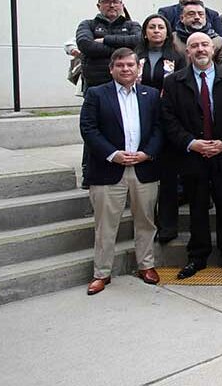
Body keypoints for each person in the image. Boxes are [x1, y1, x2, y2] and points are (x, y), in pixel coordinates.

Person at [161, 32, 222, 280]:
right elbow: (168, 119)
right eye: (194, 45)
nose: (200, 49)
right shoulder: (173, 82)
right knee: (197, 208)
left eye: (204, 45)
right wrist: (191, 143)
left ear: (213, 49)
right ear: (187, 51)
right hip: (192, 156)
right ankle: (197, 256)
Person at [79, 48, 163, 294]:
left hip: (143, 168)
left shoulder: (151, 94)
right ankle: (101, 273)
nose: (126, 69)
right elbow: (88, 129)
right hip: (108, 170)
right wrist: (113, 154)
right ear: (111, 69)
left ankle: (146, 265)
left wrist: (147, 152)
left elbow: (160, 128)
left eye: (130, 65)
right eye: (120, 65)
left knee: (146, 221)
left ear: (138, 68)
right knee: (105, 224)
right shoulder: (96, 94)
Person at [134, 14, 185, 243]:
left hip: (168, 121)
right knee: (145, 179)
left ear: (168, 32)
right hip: (140, 121)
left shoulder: (178, 57)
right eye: (152, 27)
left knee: (168, 178)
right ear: (145, 32)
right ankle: (146, 225)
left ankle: (167, 226)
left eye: (161, 27)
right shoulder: (136, 58)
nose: (156, 31)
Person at [76, 0, 142, 93]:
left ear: (122, 5)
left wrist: (105, 40)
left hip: (126, 84)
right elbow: (85, 45)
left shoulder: (132, 25)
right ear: (98, 6)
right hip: (95, 84)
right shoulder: (88, 24)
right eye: (106, 2)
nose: (111, 5)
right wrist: (125, 51)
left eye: (115, 2)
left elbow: (138, 41)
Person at [170, 0, 222, 69]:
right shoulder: (172, 40)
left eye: (201, 14)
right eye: (191, 14)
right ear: (182, 18)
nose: (197, 17)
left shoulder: (219, 42)